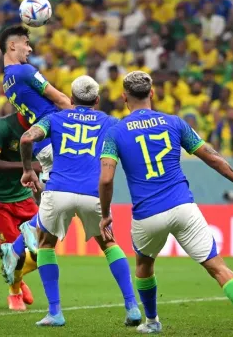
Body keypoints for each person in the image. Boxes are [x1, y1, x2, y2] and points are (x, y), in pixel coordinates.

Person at [98, 71, 233, 336]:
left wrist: (106, 214)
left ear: (124, 97)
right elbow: (211, 157)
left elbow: (106, 180)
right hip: (183, 207)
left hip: (147, 215)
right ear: (152, 93)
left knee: (144, 266)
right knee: (217, 266)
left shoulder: (115, 132)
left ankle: (152, 321)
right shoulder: (175, 123)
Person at [19, 75, 142, 327]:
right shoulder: (110, 122)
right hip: (92, 192)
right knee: (108, 244)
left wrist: (27, 170)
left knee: (45, 245)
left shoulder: (54, 118)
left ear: (71, 99)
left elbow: (26, 139)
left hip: (58, 190)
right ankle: (131, 307)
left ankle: (55, 312)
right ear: (97, 100)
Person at [0, 112, 41, 311]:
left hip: (22, 196)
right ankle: (14, 293)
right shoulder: (4, 126)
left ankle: (16, 276)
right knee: (16, 254)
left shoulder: (44, 126)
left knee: (43, 250)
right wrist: (27, 166)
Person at [0, 24, 72, 182]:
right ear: (12, 45)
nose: (30, 49)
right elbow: (59, 98)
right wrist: (85, 117)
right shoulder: (24, 70)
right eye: (26, 43)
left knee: (54, 197)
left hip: (40, 146)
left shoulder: (6, 83)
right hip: (55, 137)